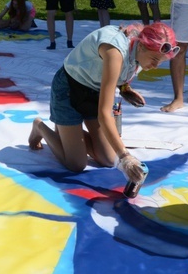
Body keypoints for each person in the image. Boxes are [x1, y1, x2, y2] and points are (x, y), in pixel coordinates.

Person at [28, 22, 179, 185]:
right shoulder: (115, 51)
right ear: (141, 45)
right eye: (154, 59)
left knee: (107, 159)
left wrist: (124, 88)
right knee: (76, 164)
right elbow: (104, 113)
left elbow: (120, 72)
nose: (156, 66)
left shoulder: (139, 50)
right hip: (69, 87)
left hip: (94, 89)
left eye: (160, 62)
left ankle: (67, 132)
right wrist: (125, 157)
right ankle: (40, 128)